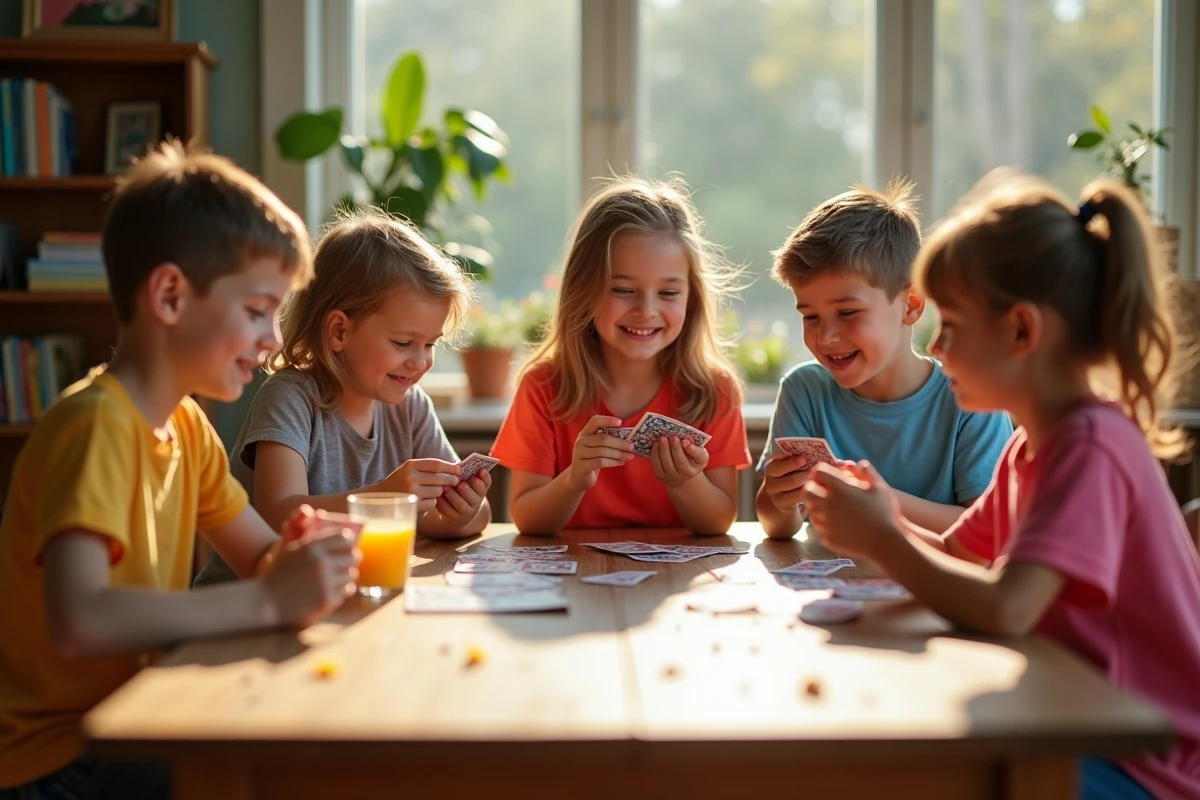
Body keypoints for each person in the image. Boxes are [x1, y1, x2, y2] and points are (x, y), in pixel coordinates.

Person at [801, 172, 1200, 800]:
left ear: (1021, 331)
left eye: (953, 324)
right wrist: (882, 526)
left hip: (1144, 758)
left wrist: (884, 537)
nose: (936, 344)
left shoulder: (1090, 446)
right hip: (1069, 712)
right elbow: (960, 557)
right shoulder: (1029, 445)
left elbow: (1007, 606)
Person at [0, 142, 359, 798]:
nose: (274, 339)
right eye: (256, 311)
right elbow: (78, 621)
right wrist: (269, 597)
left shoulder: (188, 428)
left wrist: (301, 555)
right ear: (169, 295)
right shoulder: (95, 427)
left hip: (137, 715)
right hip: (57, 759)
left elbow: (261, 560)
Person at [195, 207, 487, 585]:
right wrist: (384, 497)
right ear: (339, 332)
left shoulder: (411, 407)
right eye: (403, 343)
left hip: (335, 597)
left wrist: (464, 513)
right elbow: (279, 515)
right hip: (246, 609)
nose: (420, 362)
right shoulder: (290, 398)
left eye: (431, 343)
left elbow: (456, 519)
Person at [492, 177, 751, 534]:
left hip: (676, 583)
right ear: (584, 289)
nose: (646, 310)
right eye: (623, 289)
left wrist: (683, 481)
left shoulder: (714, 390)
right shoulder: (543, 386)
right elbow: (527, 518)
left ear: (692, 298)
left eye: (668, 293)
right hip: (573, 580)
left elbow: (720, 521)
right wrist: (574, 479)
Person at [757, 180, 1012, 539]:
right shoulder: (804, 390)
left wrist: (874, 500)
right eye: (810, 316)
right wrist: (778, 500)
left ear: (910, 306)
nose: (824, 337)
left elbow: (987, 532)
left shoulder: (974, 399)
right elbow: (776, 528)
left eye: (847, 312)